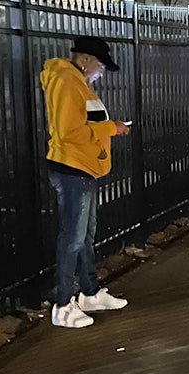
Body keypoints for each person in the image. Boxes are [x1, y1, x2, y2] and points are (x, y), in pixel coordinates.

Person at [41, 35, 131, 329]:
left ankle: (89, 292)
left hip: (83, 168)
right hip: (72, 168)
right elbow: (70, 131)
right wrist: (111, 128)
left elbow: (82, 125)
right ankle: (64, 305)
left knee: (84, 235)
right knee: (73, 239)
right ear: (85, 60)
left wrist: (107, 129)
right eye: (101, 65)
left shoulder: (78, 83)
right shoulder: (68, 82)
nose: (101, 72)